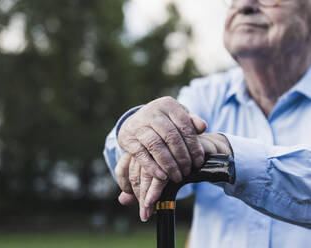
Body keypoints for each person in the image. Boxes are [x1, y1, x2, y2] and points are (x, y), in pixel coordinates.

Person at [103, 0, 311, 247]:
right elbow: (125, 160)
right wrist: (139, 129)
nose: (244, 5)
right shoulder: (205, 94)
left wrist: (228, 153)